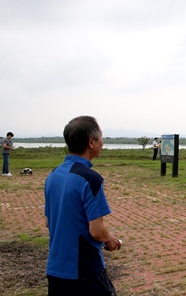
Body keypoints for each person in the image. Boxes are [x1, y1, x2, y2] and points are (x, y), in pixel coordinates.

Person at [44, 116, 121, 296]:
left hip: (55, 270)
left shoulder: (53, 176)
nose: (103, 142)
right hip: (84, 270)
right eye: (101, 136)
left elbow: (49, 223)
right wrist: (109, 238)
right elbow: (97, 231)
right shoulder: (90, 179)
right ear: (91, 142)